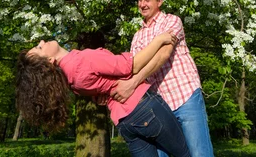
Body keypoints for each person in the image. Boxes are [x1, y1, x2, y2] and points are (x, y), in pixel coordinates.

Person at [16, 31, 191, 157]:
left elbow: (100, 93)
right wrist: (160, 39)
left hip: (125, 123)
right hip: (144, 108)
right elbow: (133, 65)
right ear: (50, 61)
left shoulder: (69, 80)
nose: (42, 40)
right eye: (40, 47)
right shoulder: (82, 60)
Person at [111, 0, 214, 157]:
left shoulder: (172, 21)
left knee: (199, 153)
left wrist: (133, 82)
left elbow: (163, 54)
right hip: (159, 105)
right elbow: (133, 67)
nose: (142, 4)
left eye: (147, 0)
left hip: (184, 94)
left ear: (159, 2)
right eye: (140, 0)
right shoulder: (137, 36)